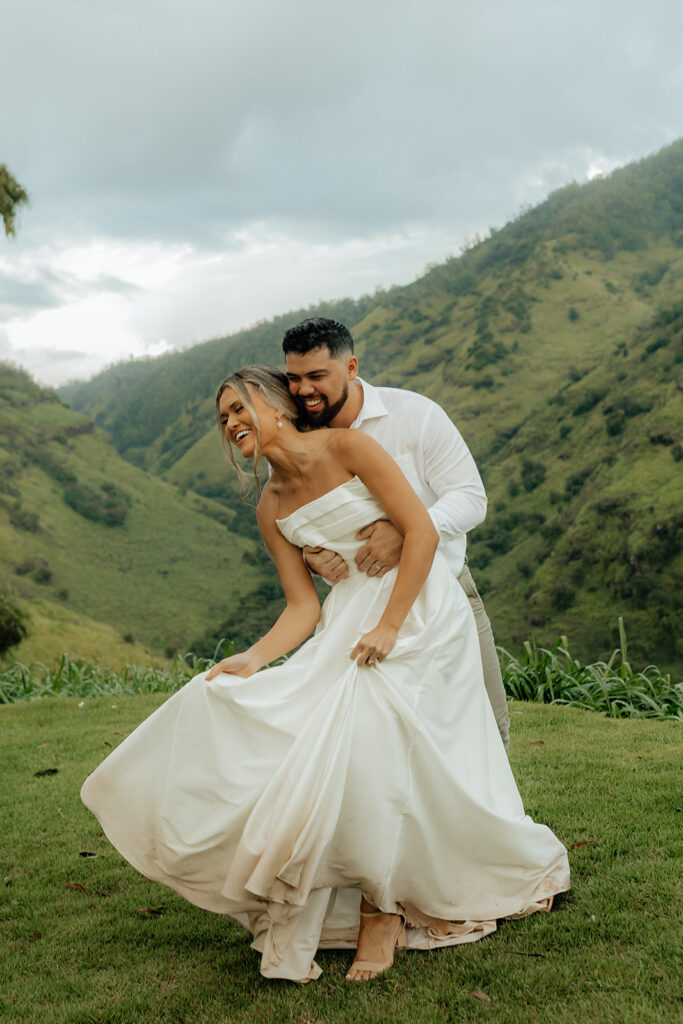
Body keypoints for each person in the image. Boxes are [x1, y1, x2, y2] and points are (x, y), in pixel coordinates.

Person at [81, 365, 569, 985]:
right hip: (347, 618)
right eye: (223, 416)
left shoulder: (350, 447)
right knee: (304, 738)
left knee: (370, 740)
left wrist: (390, 626)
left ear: (279, 405)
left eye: (240, 407)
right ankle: (364, 889)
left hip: (419, 607)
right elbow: (302, 607)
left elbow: (418, 530)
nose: (232, 423)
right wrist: (254, 659)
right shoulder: (270, 506)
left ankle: (380, 911)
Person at [281, 317, 511, 751]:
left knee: (487, 726)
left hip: (446, 591)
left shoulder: (415, 415)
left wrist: (410, 531)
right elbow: (293, 513)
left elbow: (471, 498)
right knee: (369, 741)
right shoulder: (298, 438)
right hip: (356, 610)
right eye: (293, 379)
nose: (304, 390)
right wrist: (308, 553)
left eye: (316, 376)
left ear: (350, 368)